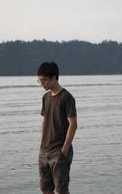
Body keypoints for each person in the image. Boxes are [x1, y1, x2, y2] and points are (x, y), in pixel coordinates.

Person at [36, 62, 78, 194]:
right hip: (44, 150)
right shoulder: (45, 97)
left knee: (61, 190)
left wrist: (64, 151)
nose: (42, 84)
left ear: (54, 78)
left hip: (59, 151)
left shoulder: (67, 97)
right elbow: (44, 120)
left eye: (44, 80)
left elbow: (73, 125)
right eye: (39, 80)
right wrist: (42, 142)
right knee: (46, 189)